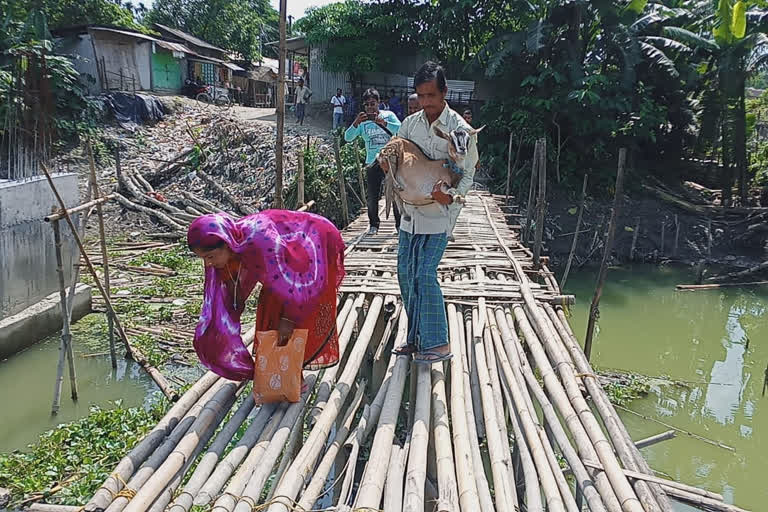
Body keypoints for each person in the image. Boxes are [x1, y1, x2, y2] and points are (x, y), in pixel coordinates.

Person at [384, 61, 478, 364]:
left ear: (444, 92)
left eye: (431, 96)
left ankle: (438, 342)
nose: (426, 103)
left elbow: (467, 173)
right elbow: (398, 155)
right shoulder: (409, 125)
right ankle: (415, 338)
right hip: (409, 214)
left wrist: (451, 196)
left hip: (440, 213)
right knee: (405, 274)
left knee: (425, 274)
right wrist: (388, 164)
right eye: (421, 96)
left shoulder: (460, 130)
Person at [187, 210, 345, 383]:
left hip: (314, 238)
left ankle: (292, 376)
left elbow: (293, 285)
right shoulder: (234, 243)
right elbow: (233, 288)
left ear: (226, 243)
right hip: (286, 251)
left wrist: (289, 319)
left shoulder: (261, 242)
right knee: (271, 310)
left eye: (210, 257)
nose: (208, 264)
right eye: (202, 258)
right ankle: (283, 378)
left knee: (297, 312)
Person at [344, 88, 402, 234]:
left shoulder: (389, 116)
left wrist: (384, 124)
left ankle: (399, 226)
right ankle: (374, 225)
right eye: (367, 104)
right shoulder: (362, 122)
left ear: (379, 103)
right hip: (372, 161)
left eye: (373, 103)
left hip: (391, 160)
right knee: (372, 195)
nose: (370, 107)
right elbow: (347, 137)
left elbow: (401, 130)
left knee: (395, 194)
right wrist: (355, 123)